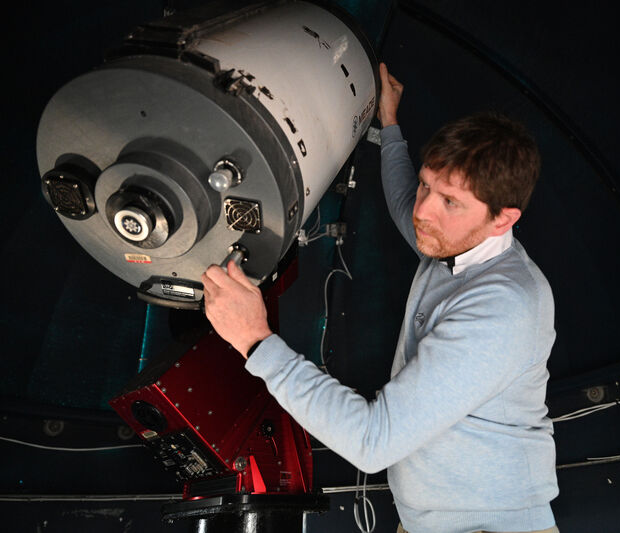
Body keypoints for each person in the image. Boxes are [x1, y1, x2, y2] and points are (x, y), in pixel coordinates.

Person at [201, 63, 559, 533]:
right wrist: (390, 124)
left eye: (449, 201)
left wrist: (256, 341)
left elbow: (374, 442)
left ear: (503, 219)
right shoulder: (456, 242)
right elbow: (401, 199)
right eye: (428, 187)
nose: (423, 211)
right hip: (428, 523)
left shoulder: (504, 305)